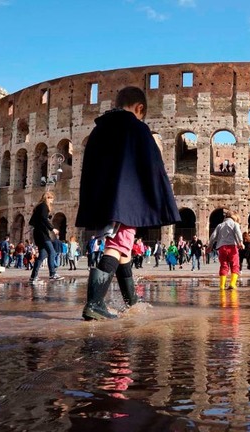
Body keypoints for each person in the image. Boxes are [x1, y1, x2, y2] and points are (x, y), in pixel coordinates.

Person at [76, 86, 181, 320]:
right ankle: (94, 303)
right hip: (126, 199)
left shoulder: (99, 129)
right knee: (117, 246)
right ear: (139, 108)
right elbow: (153, 167)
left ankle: (131, 301)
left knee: (124, 249)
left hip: (104, 198)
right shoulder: (137, 128)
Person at [28, 191, 64, 283]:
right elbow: (43, 219)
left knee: (42, 256)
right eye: (51, 198)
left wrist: (47, 218)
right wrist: (52, 229)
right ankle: (52, 274)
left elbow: (34, 221)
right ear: (47, 198)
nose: (52, 201)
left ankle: (33, 277)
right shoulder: (44, 206)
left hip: (39, 233)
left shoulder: (39, 207)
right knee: (52, 252)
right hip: (42, 234)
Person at [209, 210, 244, 290]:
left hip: (222, 248)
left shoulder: (220, 225)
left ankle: (222, 286)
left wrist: (210, 246)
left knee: (224, 266)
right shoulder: (235, 224)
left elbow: (213, 236)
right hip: (232, 247)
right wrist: (241, 242)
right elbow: (238, 232)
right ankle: (232, 284)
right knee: (235, 265)